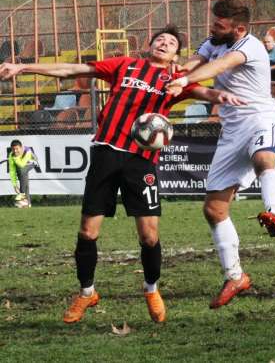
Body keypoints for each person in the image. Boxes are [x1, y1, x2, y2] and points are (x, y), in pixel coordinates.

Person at [0, 24, 242, 324]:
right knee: (88, 231)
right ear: (149, 45)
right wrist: (24, 67)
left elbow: (205, 91)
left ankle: (151, 290)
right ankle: (87, 292)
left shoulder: (176, 79)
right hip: (105, 153)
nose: (163, 43)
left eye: (170, 42)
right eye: (159, 39)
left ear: (176, 55)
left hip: (141, 162)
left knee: (149, 236)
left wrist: (222, 96)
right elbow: (73, 70)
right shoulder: (125, 65)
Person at [166, 0, 275, 309]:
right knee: (214, 209)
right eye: (213, 22)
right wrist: (179, 71)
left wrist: (183, 80)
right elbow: (197, 59)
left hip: (261, 117)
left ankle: (273, 212)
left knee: (264, 160)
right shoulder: (214, 39)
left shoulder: (250, 47)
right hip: (231, 129)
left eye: (219, 25)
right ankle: (235, 277)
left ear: (239, 28)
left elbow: (219, 66)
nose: (213, 28)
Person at [7, 139, 39, 208]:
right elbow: (12, 171)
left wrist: (15, 158)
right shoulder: (11, 155)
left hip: (32, 163)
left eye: (17, 149)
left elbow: (22, 164)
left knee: (21, 171)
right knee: (24, 180)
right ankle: (28, 204)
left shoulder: (27, 151)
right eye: (13, 149)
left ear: (21, 147)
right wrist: (15, 185)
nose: (15, 151)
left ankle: (22, 196)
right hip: (21, 164)